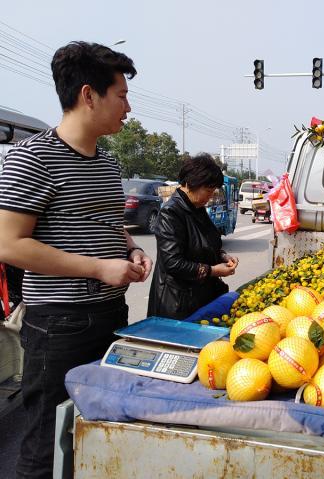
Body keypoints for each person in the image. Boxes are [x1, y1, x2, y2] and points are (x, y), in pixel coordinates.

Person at [0, 41, 152, 479]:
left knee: (92, 432)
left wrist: (131, 249)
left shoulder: (107, 160)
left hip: (109, 313)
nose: (128, 106)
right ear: (89, 95)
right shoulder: (35, 157)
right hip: (59, 324)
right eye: (121, 95)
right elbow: (9, 243)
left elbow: (108, 225)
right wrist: (98, 268)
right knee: (47, 445)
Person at [147, 153, 238, 319]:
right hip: (178, 304)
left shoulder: (197, 208)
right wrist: (212, 271)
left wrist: (223, 256)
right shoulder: (171, 213)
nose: (211, 196)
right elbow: (173, 263)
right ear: (190, 184)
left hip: (200, 297)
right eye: (208, 191)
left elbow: (205, 245)